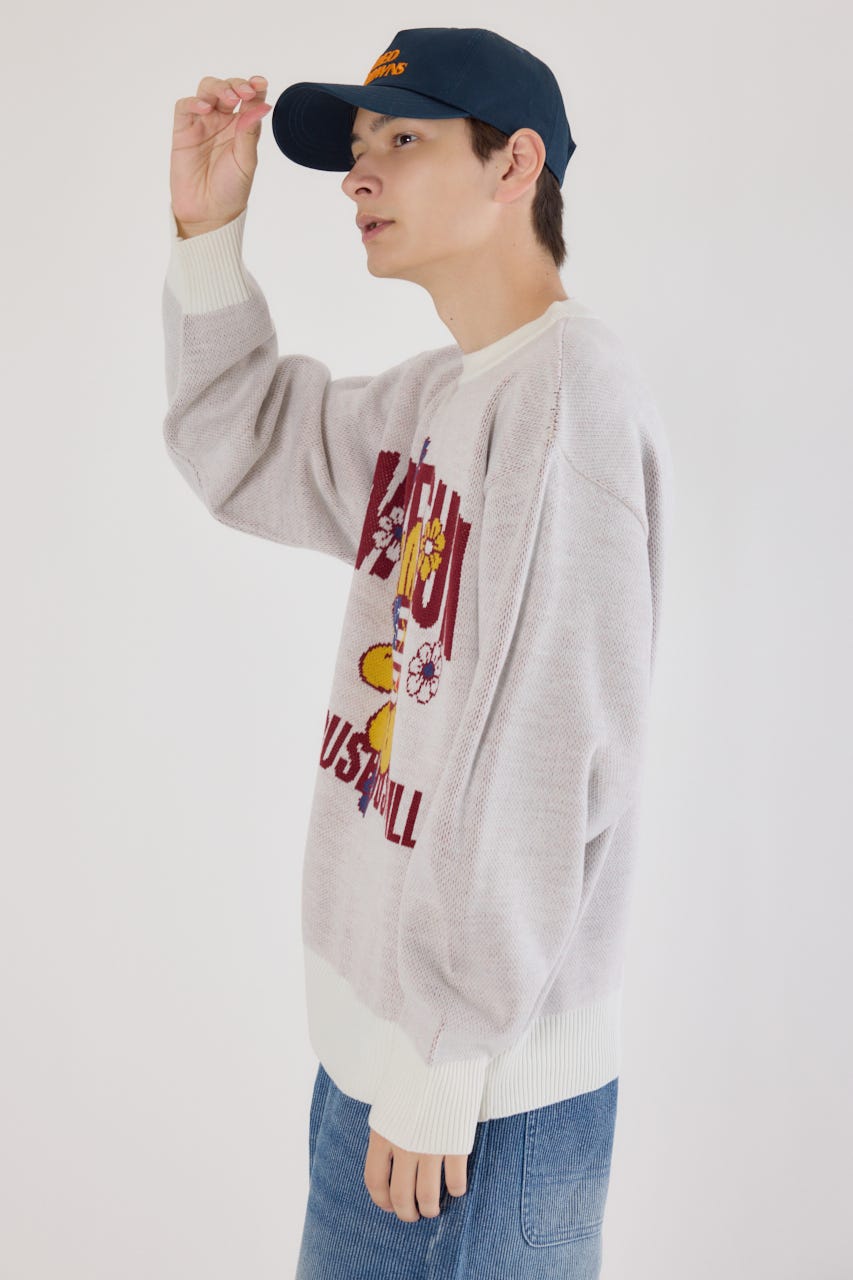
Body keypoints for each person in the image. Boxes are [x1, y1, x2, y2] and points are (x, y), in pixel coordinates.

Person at [163, 26, 674, 1279]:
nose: (359, 173)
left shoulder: (569, 398)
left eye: (401, 137)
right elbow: (243, 442)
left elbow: (547, 758)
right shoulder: (444, 394)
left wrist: (444, 1057)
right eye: (357, 147)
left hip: (477, 1101)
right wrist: (208, 234)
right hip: (379, 1067)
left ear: (516, 165)